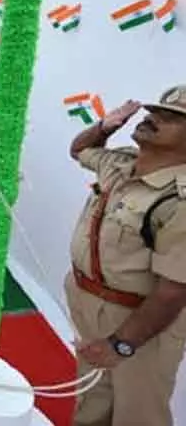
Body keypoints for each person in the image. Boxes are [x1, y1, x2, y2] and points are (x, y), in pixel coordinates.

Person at [66, 86, 186, 426]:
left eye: (171, 118)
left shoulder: (179, 198)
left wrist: (121, 344)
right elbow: (80, 149)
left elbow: (174, 289)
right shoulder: (120, 163)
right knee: (90, 404)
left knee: (138, 414)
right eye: (154, 112)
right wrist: (105, 127)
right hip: (89, 304)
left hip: (140, 326)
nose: (152, 118)